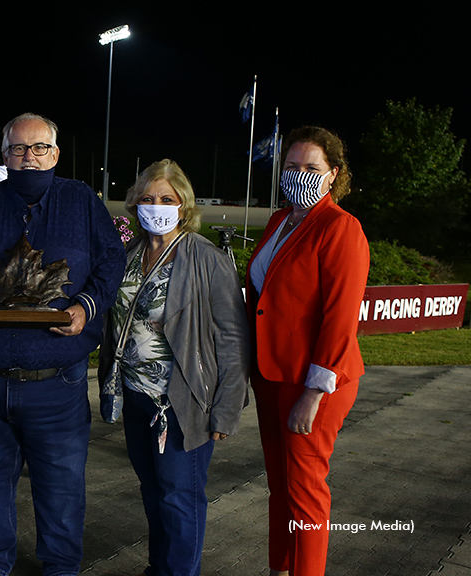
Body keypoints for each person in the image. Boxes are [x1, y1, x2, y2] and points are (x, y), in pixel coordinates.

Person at [0, 112, 125, 576]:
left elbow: (111, 261)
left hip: (57, 381)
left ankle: (60, 565)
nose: (29, 157)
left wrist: (87, 308)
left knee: (60, 485)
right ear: (4, 156)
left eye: (39, 148)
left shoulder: (81, 201)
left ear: (56, 153)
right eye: (18, 149)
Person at [98, 159, 249, 576]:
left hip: (183, 403)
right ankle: (159, 568)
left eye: (167, 198)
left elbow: (233, 338)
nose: (156, 205)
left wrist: (226, 407)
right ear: (134, 203)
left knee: (180, 498)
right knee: (153, 492)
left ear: (184, 204)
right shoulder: (128, 257)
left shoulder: (207, 259)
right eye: (147, 198)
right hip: (136, 399)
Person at [245, 126, 369, 576]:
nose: (299, 174)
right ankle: (280, 569)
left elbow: (340, 318)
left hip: (314, 382)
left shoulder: (340, 228)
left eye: (310, 167)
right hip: (272, 374)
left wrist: (314, 393)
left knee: (305, 491)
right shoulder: (281, 220)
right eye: (292, 166)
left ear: (332, 174)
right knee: (281, 487)